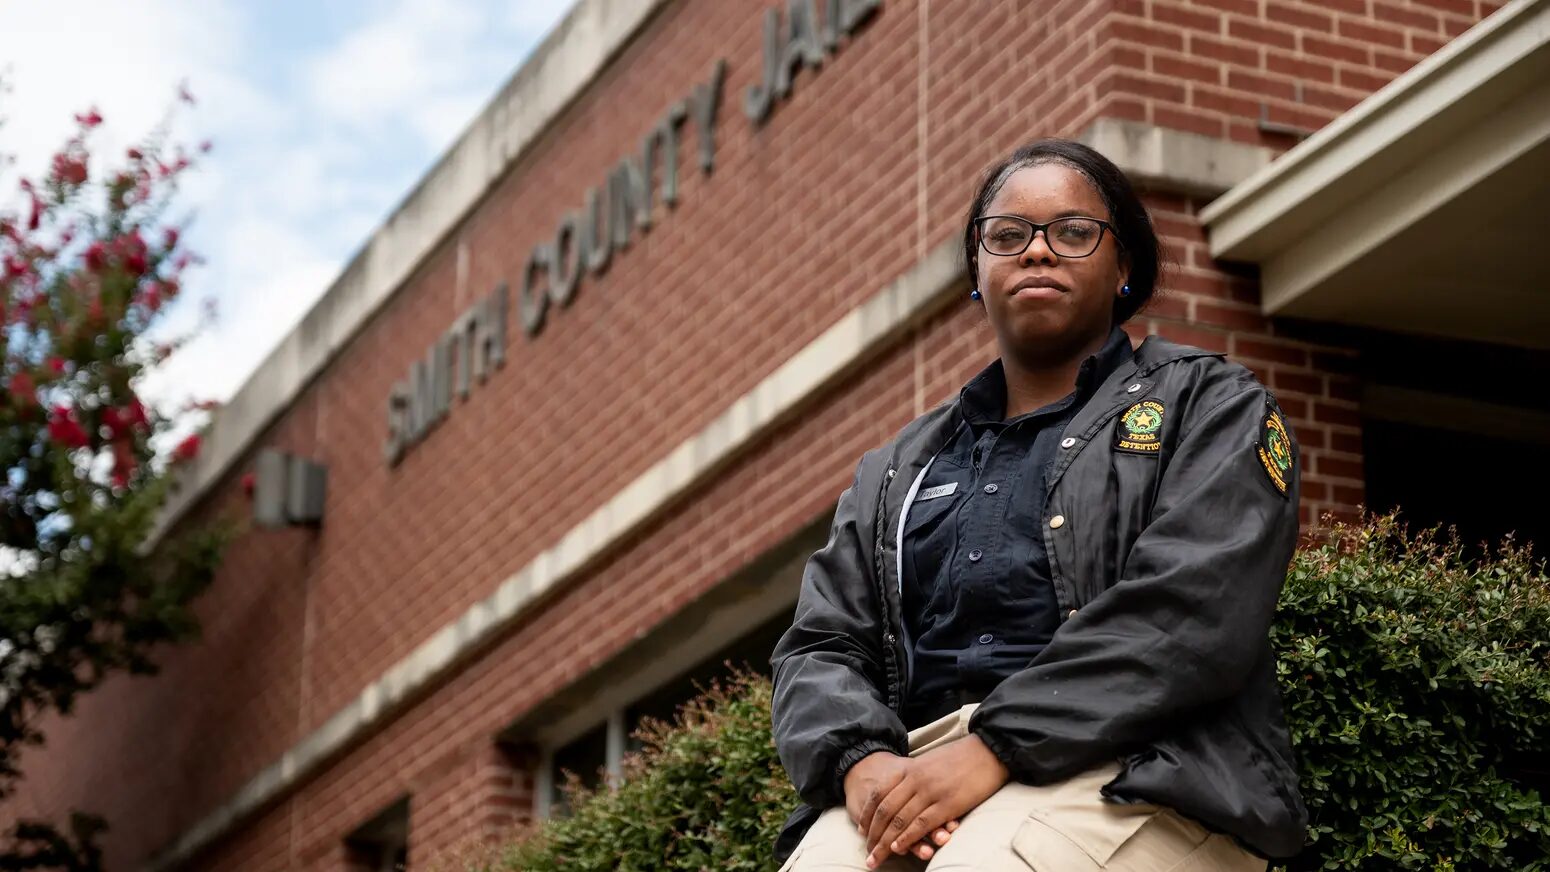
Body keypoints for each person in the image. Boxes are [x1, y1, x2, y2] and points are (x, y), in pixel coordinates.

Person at [768, 138, 1307, 871]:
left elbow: (1191, 610)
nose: (1038, 252)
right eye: (1008, 235)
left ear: (1124, 268)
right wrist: (860, 765)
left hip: (1146, 768)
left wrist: (994, 746)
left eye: (1073, 232)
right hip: (916, 769)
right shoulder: (896, 469)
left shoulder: (1209, 406)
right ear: (977, 272)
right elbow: (821, 645)